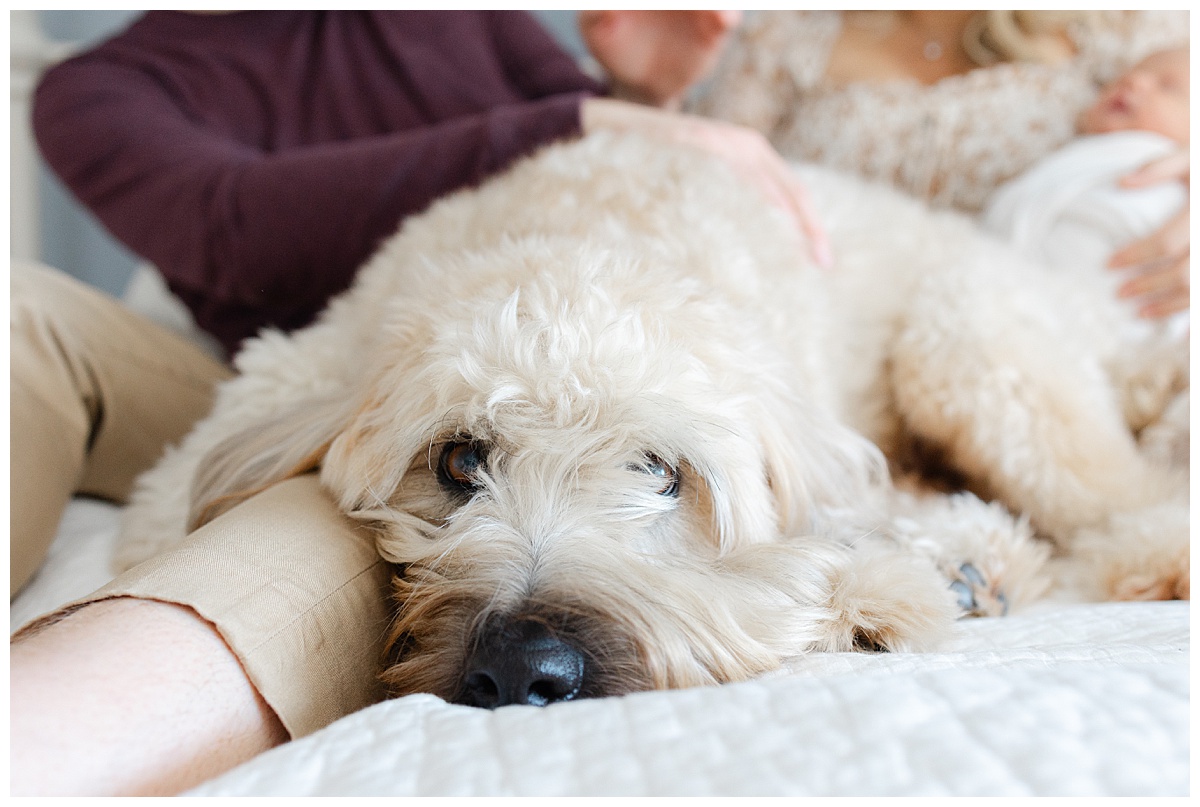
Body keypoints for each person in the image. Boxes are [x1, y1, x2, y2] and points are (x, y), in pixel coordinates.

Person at [10, 10, 826, 796]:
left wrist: (646, 96)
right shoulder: (94, 88)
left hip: (486, 371)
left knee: (382, 481)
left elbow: (605, 179)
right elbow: (233, 224)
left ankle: (52, 736)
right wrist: (586, 114)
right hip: (292, 367)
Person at [691, 10, 1189, 318]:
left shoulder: (1121, 20)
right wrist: (643, 93)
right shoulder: (785, 32)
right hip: (814, 333)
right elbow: (700, 185)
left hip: (1038, 335)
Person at [983, 47, 1190, 321]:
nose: (1134, 81)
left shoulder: (1155, 163)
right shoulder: (1090, 152)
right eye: (1123, 77)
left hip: (1127, 277)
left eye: (1168, 87)